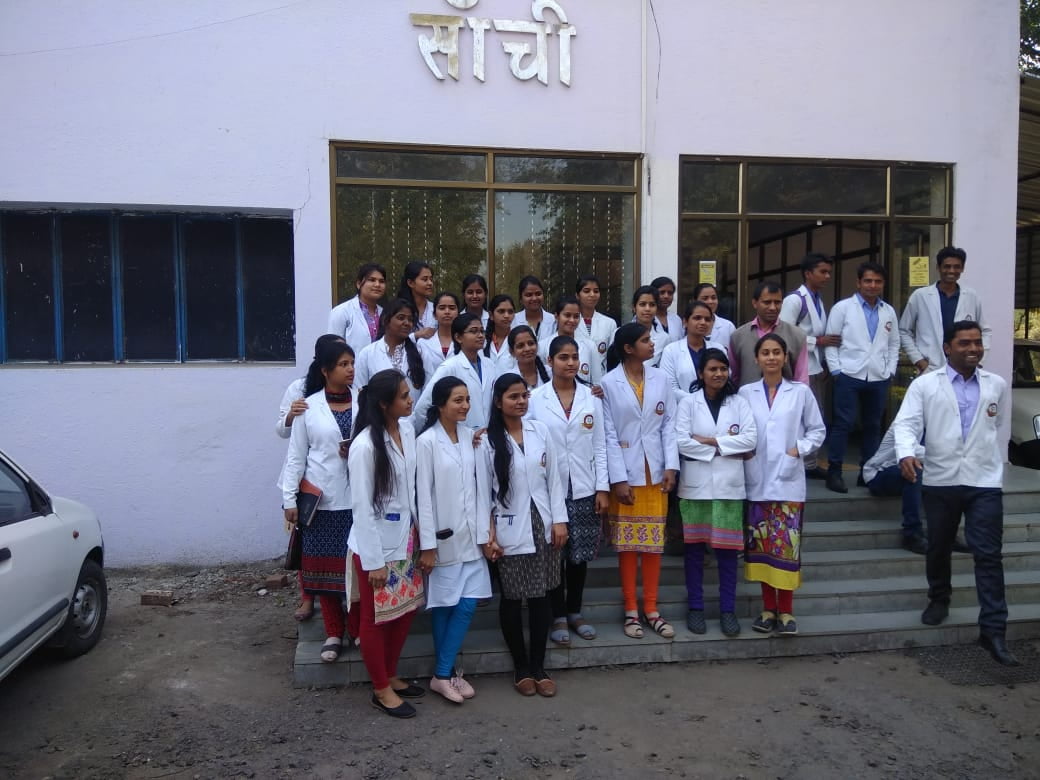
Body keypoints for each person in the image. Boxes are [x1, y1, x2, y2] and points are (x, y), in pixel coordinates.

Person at [892, 321, 1019, 666]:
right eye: (964, 343)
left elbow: (997, 426)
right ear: (948, 348)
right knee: (939, 545)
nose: (973, 349)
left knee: (989, 554)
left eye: (977, 343)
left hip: (984, 481)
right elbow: (906, 424)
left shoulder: (997, 385)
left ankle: (993, 630)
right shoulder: (925, 385)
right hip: (941, 479)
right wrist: (906, 452)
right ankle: (939, 598)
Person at [480, 373, 569, 697]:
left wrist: (560, 520)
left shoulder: (540, 430)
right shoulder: (487, 440)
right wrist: (488, 534)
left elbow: (555, 480)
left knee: (542, 595)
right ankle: (521, 667)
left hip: (542, 523)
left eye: (524, 396)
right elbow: (482, 494)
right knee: (514, 597)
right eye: (513, 397)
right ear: (498, 401)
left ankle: (539, 666)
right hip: (508, 528)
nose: (520, 402)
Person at [346, 369, 426, 718]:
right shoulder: (364, 446)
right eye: (404, 396)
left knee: (403, 611)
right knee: (376, 618)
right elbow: (362, 508)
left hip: (405, 539)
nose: (411, 400)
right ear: (383, 404)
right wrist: (373, 562)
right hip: (376, 547)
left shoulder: (406, 429)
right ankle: (380, 689)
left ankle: (391, 674)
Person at [739, 334, 826, 636]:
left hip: (788, 482)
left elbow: (817, 430)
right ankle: (767, 610)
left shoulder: (800, 392)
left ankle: (786, 612)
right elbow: (737, 429)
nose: (772, 357)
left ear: (786, 356)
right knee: (761, 548)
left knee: (786, 548)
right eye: (766, 352)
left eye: (777, 352)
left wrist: (798, 449)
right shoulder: (745, 393)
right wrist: (744, 451)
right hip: (757, 480)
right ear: (757, 358)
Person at [280, 340, 359, 662]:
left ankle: (356, 629)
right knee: (323, 572)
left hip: (358, 501)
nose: (350, 369)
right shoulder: (308, 407)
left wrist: (357, 447)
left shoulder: (365, 401)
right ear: (326, 371)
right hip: (322, 503)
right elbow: (296, 457)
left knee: (355, 572)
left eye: (352, 363)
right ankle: (332, 633)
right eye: (343, 364)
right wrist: (289, 499)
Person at [528, 336, 610, 645]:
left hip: (584, 487)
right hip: (549, 489)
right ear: (549, 362)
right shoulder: (535, 399)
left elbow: (600, 445)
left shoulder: (592, 397)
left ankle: (575, 611)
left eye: (575, 357)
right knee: (554, 553)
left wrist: (602, 488)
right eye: (563, 357)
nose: (571, 362)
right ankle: (557, 614)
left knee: (580, 555)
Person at [415, 377, 492, 703]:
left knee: (468, 603)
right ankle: (445, 674)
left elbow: (481, 488)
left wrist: (487, 533)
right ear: (441, 405)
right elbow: (423, 497)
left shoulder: (470, 438)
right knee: (445, 606)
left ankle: (444, 673)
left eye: (467, 400)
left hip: (471, 539)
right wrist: (428, 545)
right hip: (442, 539)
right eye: (458, 400)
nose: (465, 406)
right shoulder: (427, 442)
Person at [600, 323, 679, 639]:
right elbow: (607, 434)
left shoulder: (661, 379)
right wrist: (617, 479)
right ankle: (631, 610)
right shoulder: (607, 383)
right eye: (646, 340)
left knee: (652, 545)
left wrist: (671, 466)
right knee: (628, 547)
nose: (652, 343)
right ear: (629, 348)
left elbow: (669, 425)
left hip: (656, 472)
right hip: (627, 473)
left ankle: (652, 609)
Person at [676, 348, 757, 637]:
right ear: (701, 373)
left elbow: (750, 439)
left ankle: (727, 611)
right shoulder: (688, 403)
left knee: (726, 553)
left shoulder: (739, 402)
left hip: (729, 489)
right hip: (695, 488)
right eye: (712, 369)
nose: (719, 374)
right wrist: (726, 447)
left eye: (723, 369)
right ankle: (696, 608)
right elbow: (681, 442)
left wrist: (709, 442)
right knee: (695, 552)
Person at [823, 262, 900, 494]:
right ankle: (834, 472)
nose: (872, 285)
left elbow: (894, 343)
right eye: (867, 280)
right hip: (849, 374)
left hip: (878, 377)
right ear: (858, 283)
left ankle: (867, 472)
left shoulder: (888, 311)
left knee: (873, 426)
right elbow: (831, 341)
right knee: (842, 424)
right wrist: (836, 371)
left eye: (877, 281)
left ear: (883, 284)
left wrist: (891, 370)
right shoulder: (843, 308)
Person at [779, 253, 839, 480]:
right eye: (822, 271)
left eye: (829, 272)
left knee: (815, 416)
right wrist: (817, 342)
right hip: (799, 368)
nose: (827, 276)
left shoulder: (817, 299)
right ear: (807, 273)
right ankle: (803, 462)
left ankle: (811, 462)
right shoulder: (795, 300)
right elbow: (784, 332)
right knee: (801, 416)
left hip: (815, 367)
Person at [899, 247, 991, 374]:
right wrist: (919, 360)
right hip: (930, 367)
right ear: (938, 267)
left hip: (964, 367)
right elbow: (904, 330)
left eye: (957, 267)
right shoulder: (920, 296)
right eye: (947, 266)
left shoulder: (971, 296)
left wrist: (979, 361)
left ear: (962, 268)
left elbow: (985, 330)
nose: (952, 271)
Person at [415, 313, 494, 432]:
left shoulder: (490, 365)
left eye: (482, 331)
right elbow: (422, 408)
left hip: (487, 437)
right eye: (473, 331)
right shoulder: (450, 367)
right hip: (459, 438)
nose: (480, 335)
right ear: (458, 337)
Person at [728, 281, 808, 387]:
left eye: (777, 302)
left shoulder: (797, 336)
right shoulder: (738, 336)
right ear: (755, 303)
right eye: (767, 302)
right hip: (747, 401)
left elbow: (801, 378)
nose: (773, 307)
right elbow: (734, 376)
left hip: (785, 401)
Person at [862, 425, 927, 555]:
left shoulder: (939, 424)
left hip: (916, 476)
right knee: (915, 470)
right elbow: (911, 448)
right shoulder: (906, 422)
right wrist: (949, 455)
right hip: (879, 474)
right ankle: (911, 533)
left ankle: (947, 533)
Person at [354, 298, 430, 405]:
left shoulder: (421, 352)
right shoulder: (367, 353)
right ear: (386, 319)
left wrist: (412, 420)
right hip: (377, 419)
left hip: (411, 419)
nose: (407, 323)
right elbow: (359, 392)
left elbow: (427, 394)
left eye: (410, 319)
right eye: (401, 318)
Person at [659, 300, 716, 405]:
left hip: (715, 406)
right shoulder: (671, 350)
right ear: (685, 322)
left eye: (707, 319)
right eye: (697, 318)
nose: (703, 322)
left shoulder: (718, 349)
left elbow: (724, 379)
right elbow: (669, 386)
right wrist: (699, 401)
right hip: (682, 409)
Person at [327, 263, 386, 359]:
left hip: (381, 371)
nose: (377, 284)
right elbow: (332, 348)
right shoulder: (342, 311)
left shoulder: (385, 313)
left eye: (381, 281)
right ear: (359, 284)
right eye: (372, 280)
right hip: (352, 371)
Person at [539, 296, 597, 389]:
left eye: (576, 316)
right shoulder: (543, 346)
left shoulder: (590, 346)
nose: (572, 320)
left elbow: (597, 382)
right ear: (556, 316)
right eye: (567, 315)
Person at [575, 273, 618, 383]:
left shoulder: (609, 323)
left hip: (602, 380)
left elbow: (612, 357)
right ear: (577, 295)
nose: (592, 294)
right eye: (586, 291)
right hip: (575, 378)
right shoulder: (570, 322)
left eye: (596, 291)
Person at [418, 291, 460, 370]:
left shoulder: (465, 342)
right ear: (434, 315)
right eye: (442, 308)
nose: (447, 312)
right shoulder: (423, 343)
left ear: (458, 314)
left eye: (452, 308)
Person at [395, 260, 437, 338]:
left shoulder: (436, 308)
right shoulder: (396, 308)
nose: (430, 283)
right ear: (410, 283)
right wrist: (416, 335)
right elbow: (391, 338)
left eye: (431, 279)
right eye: (425, 279)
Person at [631, 285, 670, 368]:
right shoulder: (620, 334)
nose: (647, 309)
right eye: (642, 304)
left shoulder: (664, 338)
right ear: (634, 307)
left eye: (652, 305)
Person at [513, 275, 556, 340]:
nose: (534, 298)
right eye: (529, 295)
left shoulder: (554, 321)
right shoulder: (513, 321)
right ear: (520, 299)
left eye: (538, 294)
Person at [483, 294, 517, 375]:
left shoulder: (518, 339)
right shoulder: (482, 340)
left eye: (510, 312)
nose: (506, 316)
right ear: (491, 315)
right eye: (501, 311)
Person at [507, 325, 550, 389]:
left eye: (531, 343)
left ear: (537, 345)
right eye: (520, 346)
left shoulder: (551, 372)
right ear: (512, 352)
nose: (527, 349)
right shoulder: (507, 378)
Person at [694, 282, 735, 349]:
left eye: (713, 298)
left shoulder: (728, 327)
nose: (710, 301)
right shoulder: (689, 326)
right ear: (695, 301)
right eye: (705, 298)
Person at [651, 276, 684, 342]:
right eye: (662, 292)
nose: (666, 296)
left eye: (670, 293)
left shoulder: (676, 319)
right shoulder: (644, 317)